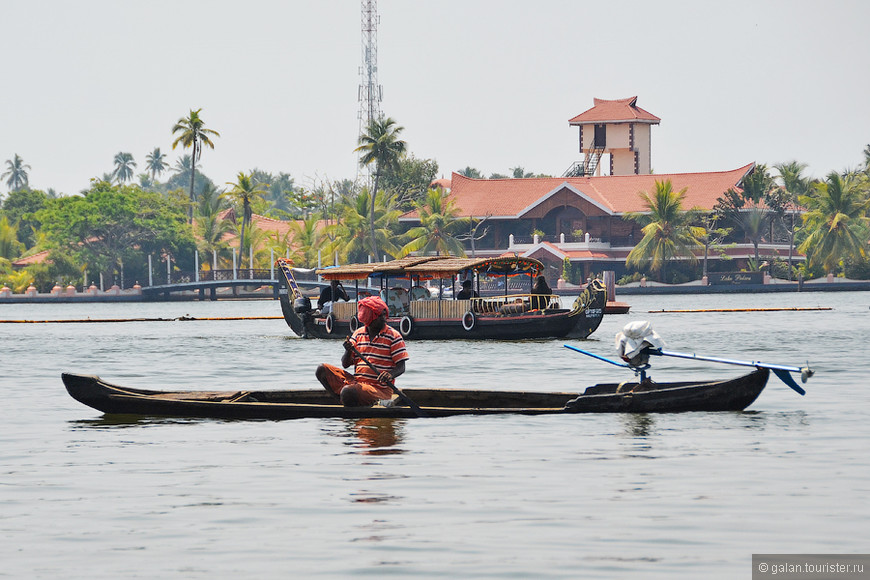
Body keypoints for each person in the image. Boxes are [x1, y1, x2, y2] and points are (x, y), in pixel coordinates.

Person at [315, 296, 409, 407]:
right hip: (357, 383)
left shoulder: (393, 336)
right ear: (370, 319)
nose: (384, 318)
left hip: (379, 390)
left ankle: (349, 399)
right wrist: (348, 351)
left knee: (348, 392)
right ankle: (344, 401)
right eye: (380, 316)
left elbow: (401, 367)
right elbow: (345, 364)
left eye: (385, 314)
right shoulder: (358, 334)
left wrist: (389, 375)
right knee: (321, 370)